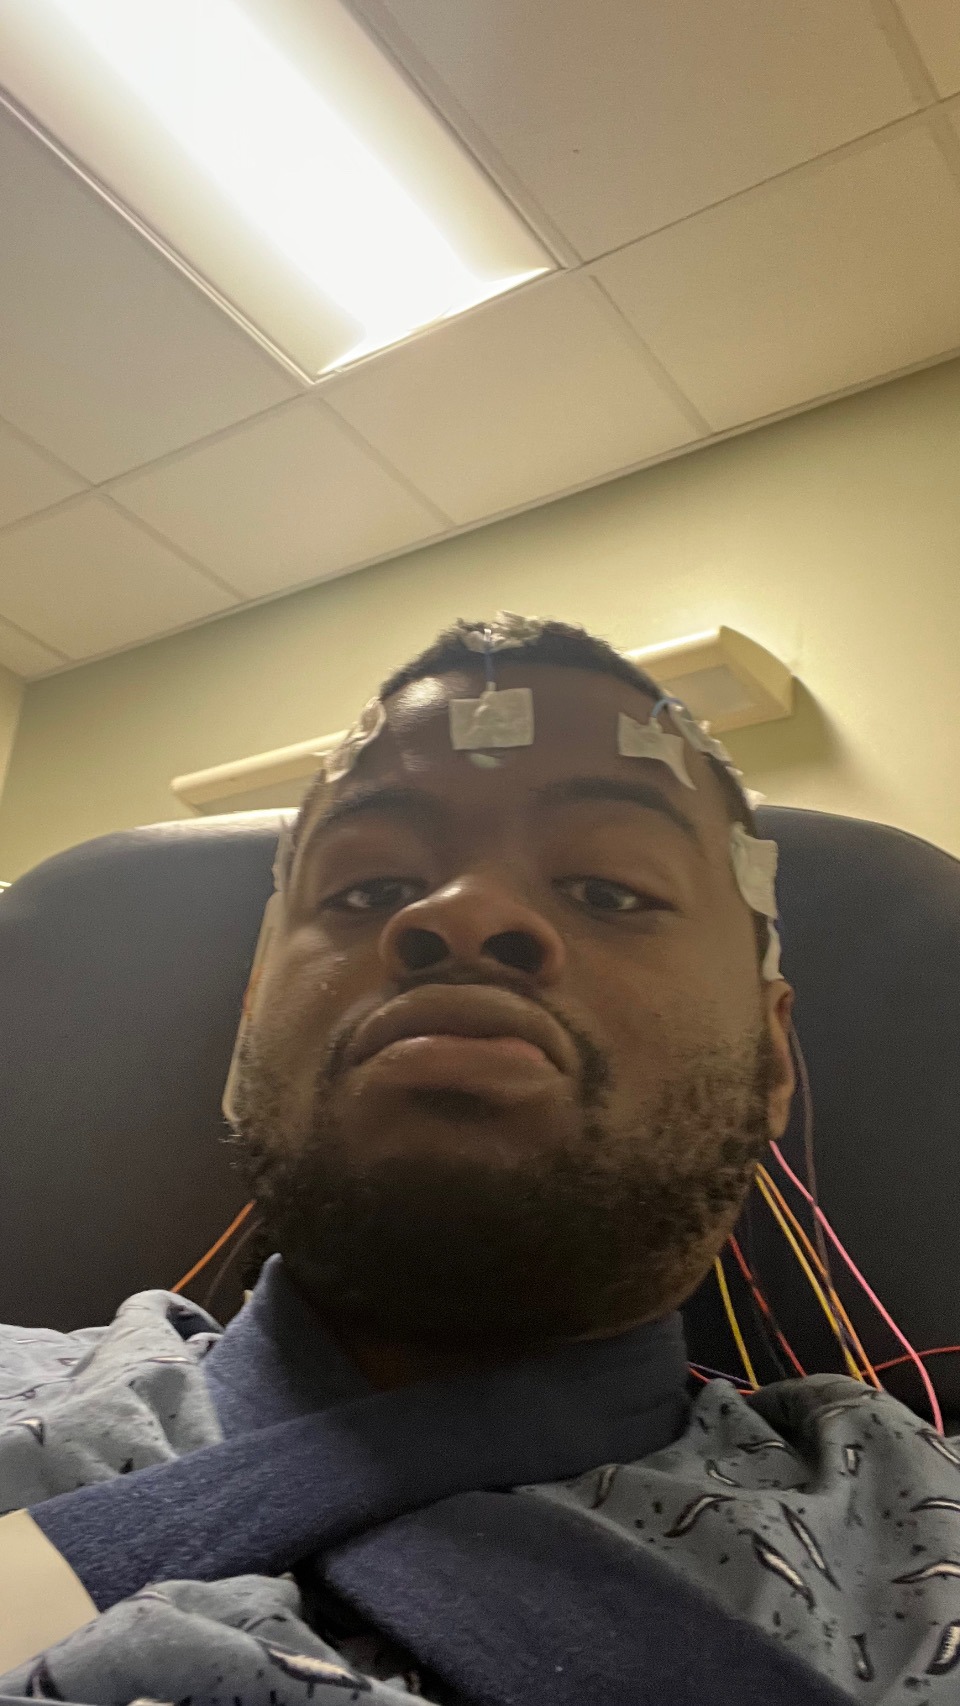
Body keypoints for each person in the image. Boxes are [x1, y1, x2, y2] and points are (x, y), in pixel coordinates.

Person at [0, 616, 956, 1706]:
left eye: (610, 887)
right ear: (252, 1024)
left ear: (772, 1056)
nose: (462, 911)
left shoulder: (919, 1539)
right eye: (368, 887)